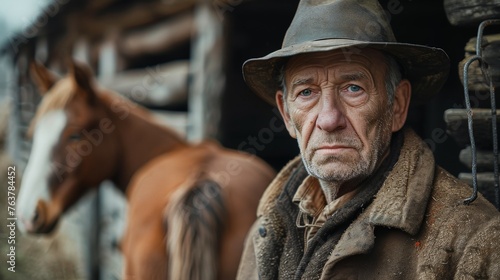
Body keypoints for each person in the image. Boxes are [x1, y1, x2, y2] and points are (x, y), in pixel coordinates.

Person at [237, 0, 500, 279]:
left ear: (397, 105)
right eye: (306, 92)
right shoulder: (267, 229)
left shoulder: (472, 239)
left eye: (353, 88)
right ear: (287, 115)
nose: (329, 119)